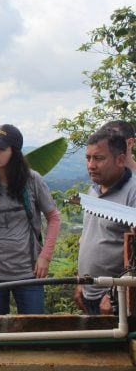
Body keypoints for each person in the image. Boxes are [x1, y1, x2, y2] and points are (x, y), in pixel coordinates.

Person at [0, 124, 61, 314]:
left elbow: (53, 217)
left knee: (32, 328)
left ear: (14, 153)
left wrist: (45, 257)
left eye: (1, 148)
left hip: (28, 271)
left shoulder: (31, 180)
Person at [74, 129, 136, 315]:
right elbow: (89, 237)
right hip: (90, 293)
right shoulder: (94, 190)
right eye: (88, 158)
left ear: (119, 160)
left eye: (98, 158)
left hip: (116, 300)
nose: (91, 165)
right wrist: (80, 282)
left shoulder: (133, 193)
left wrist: (118, 292)